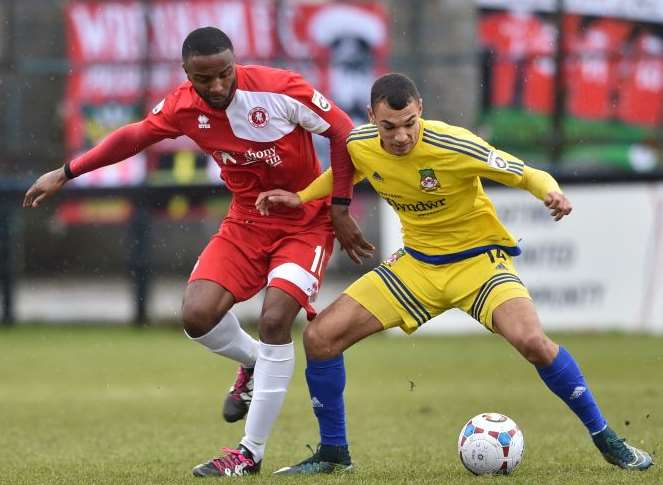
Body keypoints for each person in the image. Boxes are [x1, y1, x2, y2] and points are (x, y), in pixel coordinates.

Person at [255, 73, 654, 474]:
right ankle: (332, 455)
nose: (400, 136)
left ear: (421, 110)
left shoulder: (452, 143)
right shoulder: (359, 143)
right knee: (320, 337)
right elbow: (347, 172)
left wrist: (551, 192)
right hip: (416, 267)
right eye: (389, 127)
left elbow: (525, 172)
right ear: (371, 117)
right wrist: (302, 196)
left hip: (479, 264)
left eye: (409, 123)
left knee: (532, 341)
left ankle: (608, 439)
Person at [22, 26, 374, 477]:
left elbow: (346, 135)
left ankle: (250, 453)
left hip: (304, 223)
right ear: (187, 73)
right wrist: (67, 171)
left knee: (274, 320)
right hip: (246, 220)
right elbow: (133, 137)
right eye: (204, 79)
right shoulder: (182, 106)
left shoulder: (280, 88)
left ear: (235, 63)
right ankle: (251, 363)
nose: (217, 86)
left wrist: (340, 208)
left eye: (224, 74)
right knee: (197, 315)